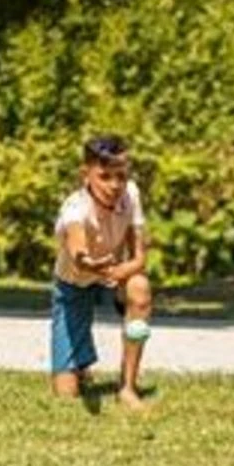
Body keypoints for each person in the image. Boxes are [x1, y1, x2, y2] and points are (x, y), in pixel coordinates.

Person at [50, 135, 154, 409]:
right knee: (66, 394)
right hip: (74, 283)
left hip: (114, 275)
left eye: (120, 176)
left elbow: (140, 258)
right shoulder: (75, 209)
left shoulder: (131, 194)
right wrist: (89, 263)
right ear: (86, 174)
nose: (114, 185)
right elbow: (77, 249)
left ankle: (128, 388)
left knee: (140, 288)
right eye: (104, 176)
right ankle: (79, 366)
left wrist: (119, 271)